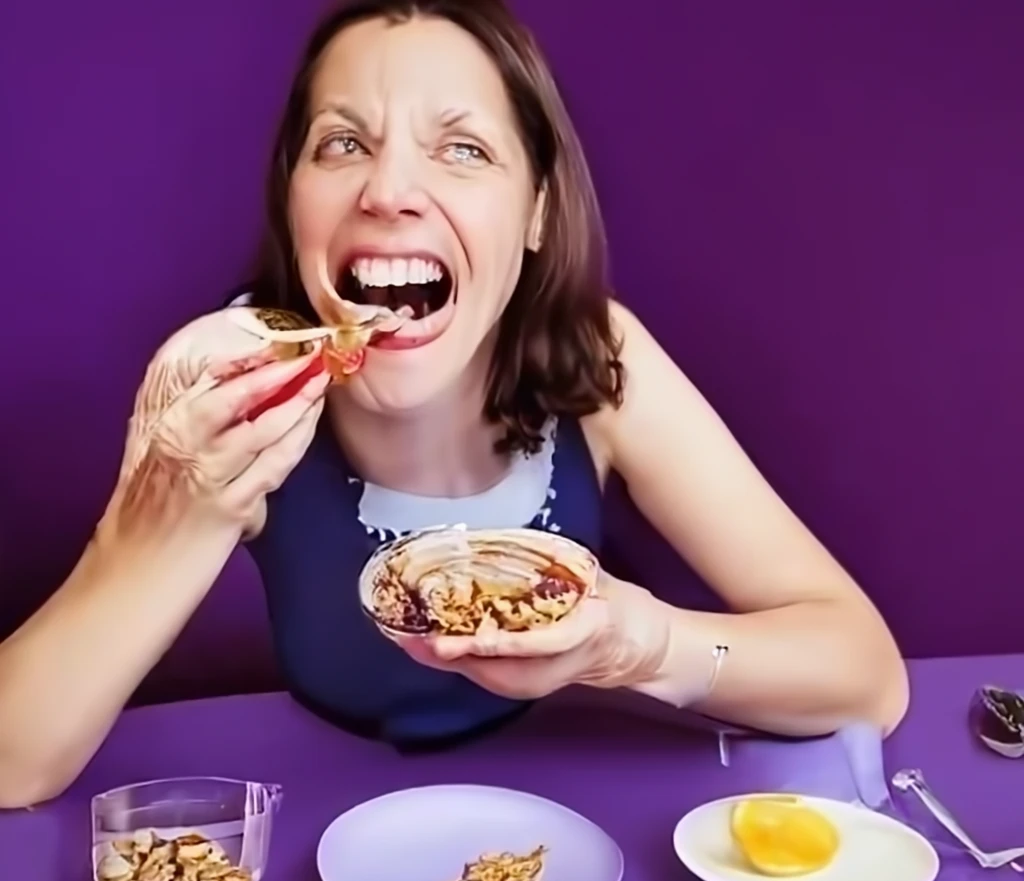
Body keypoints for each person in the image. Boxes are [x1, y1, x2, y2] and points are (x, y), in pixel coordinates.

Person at [0, 0, 908, 809]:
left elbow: (867, 678)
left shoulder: (599, 355)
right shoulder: (236, 393)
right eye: (342, 143)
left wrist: (635, 647)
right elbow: (11, 764)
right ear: (293, 201)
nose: (389, 192)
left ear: (538, 212)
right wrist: (156, 521)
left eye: (463, 148)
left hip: (561, 828)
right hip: (310, 840)